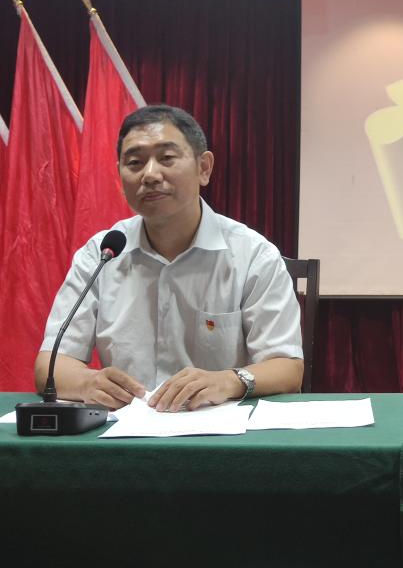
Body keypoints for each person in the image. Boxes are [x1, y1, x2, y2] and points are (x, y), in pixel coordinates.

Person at [35, 104, 303, 412]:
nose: (150, 175)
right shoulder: (102, 254)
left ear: (204, 168)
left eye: (166, 158)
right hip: (126, 428)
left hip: (218, 430)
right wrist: (88, 383)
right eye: (134, 163)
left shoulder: (253, 255)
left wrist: (228, 381)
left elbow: (287, 367)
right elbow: (50, 364)